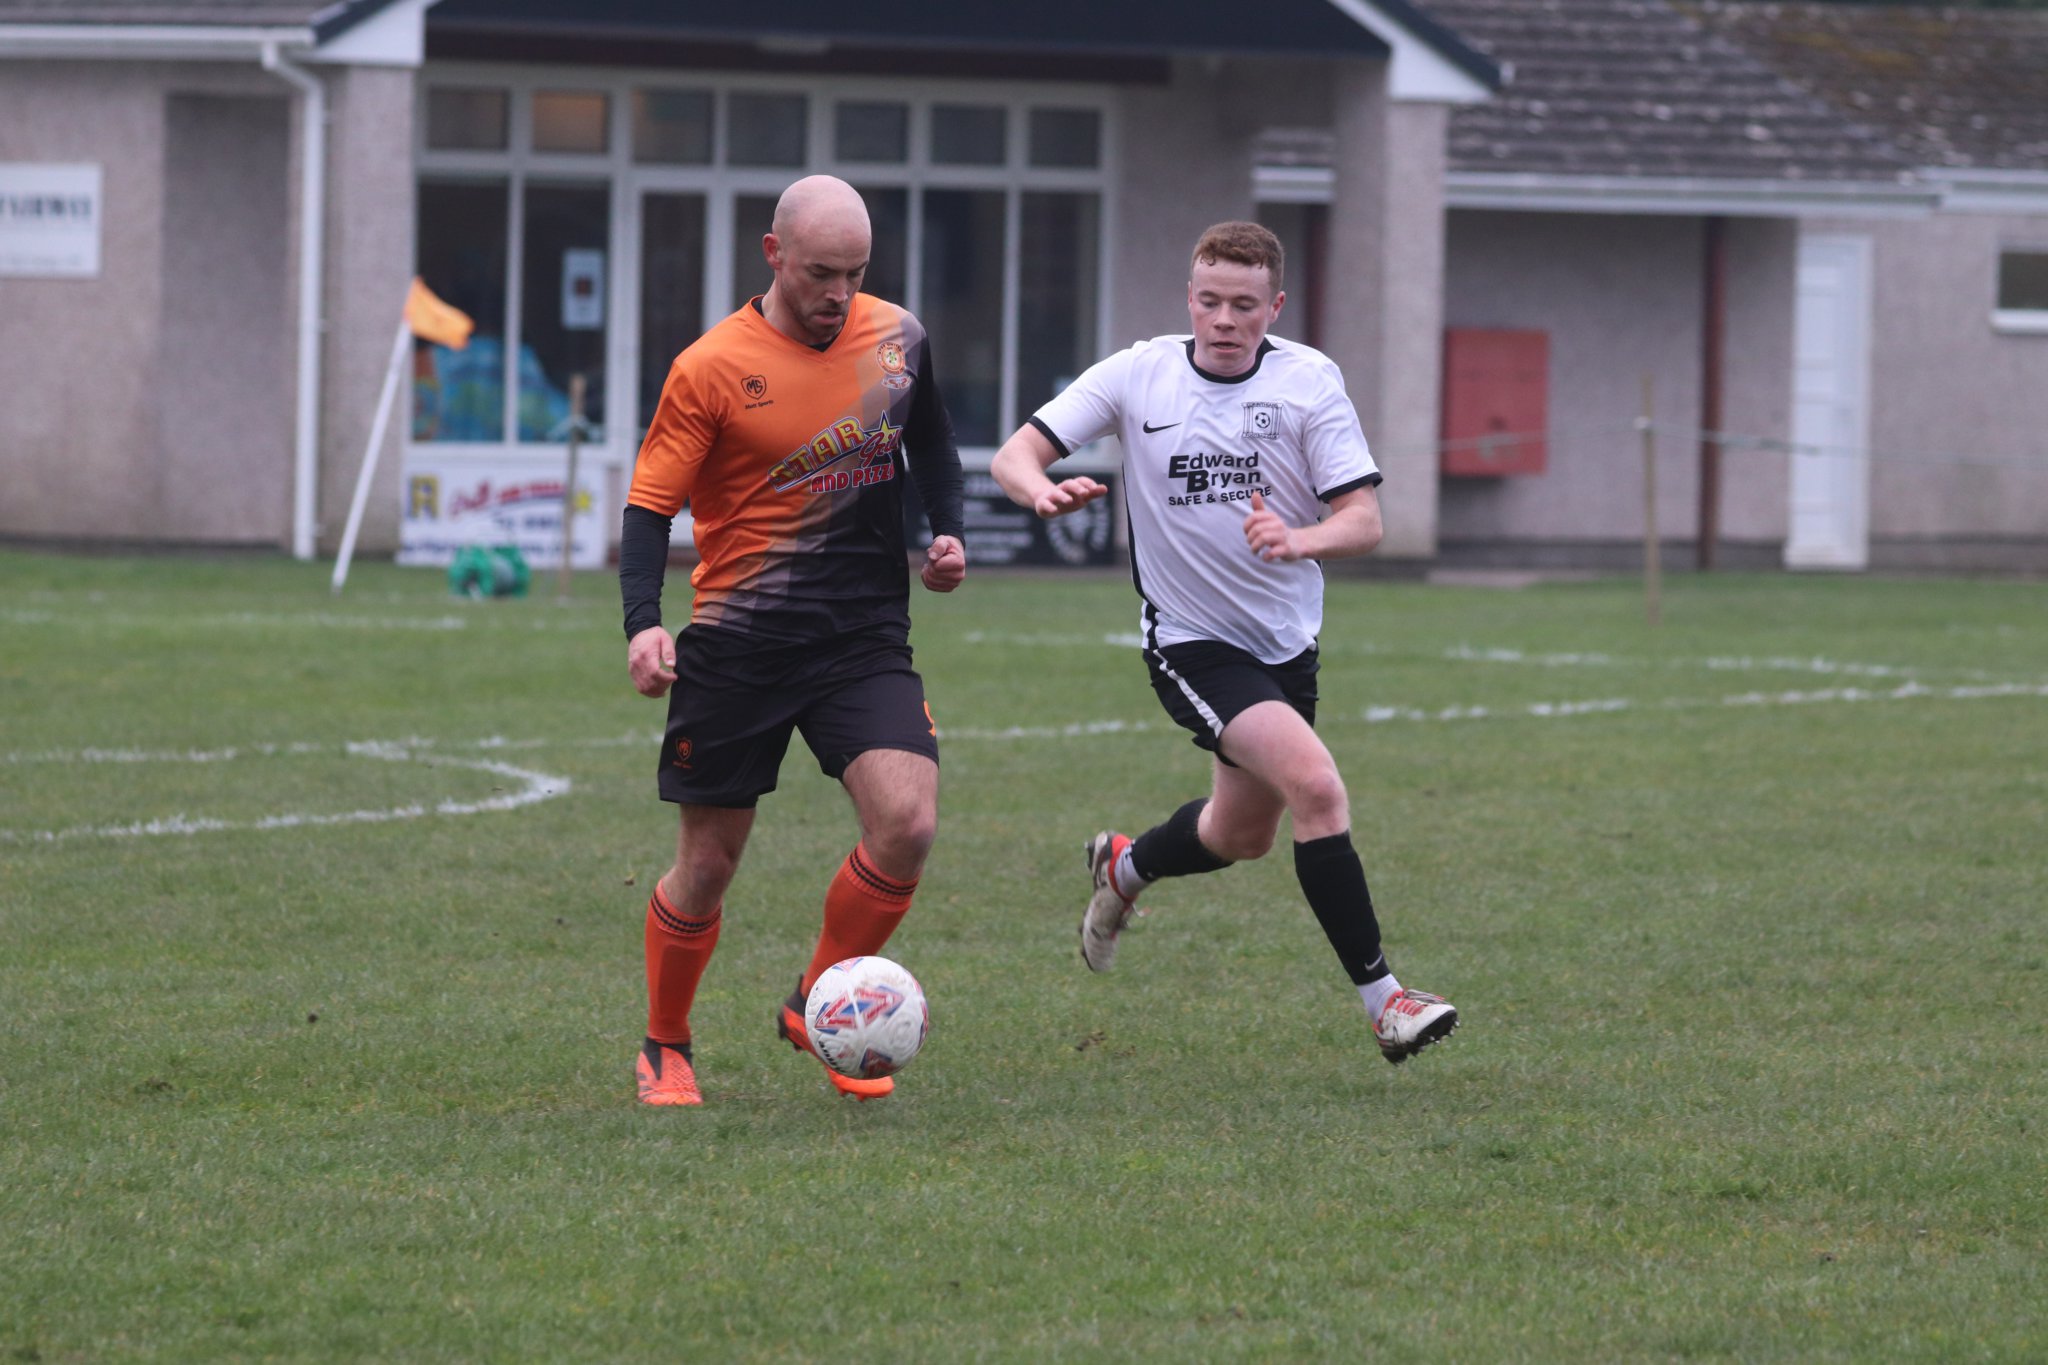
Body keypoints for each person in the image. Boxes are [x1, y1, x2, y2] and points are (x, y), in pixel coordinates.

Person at [988, 220, 1457, 1066]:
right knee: (1318, 787)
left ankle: (1125, 868)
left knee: (1241, 835)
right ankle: (1387, 1002)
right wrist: (1038, 491)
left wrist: (1299, 539)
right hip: (1191, 643)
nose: (1224, 320)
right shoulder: (1139, 374)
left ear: (1274, 307)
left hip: (1285, 647)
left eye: (1244, 305)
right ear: (1189, 298)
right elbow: (1017, 454)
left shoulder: (1309, 382)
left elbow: (1364, 520)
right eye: (1209, 301)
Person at [619, 175, 967, 1105]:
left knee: (908, 822)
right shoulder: (710, 367)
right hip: (740, 641)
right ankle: (665, 1042)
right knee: (708, 864)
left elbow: (932, 443)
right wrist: (644, 623)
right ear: (774, 255)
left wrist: (947, 531)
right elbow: (650, 508)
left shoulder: (898, 340)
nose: (839, 294)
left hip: (862, 635)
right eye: (820, 273)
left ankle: (816, 1000)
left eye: (856, 273)